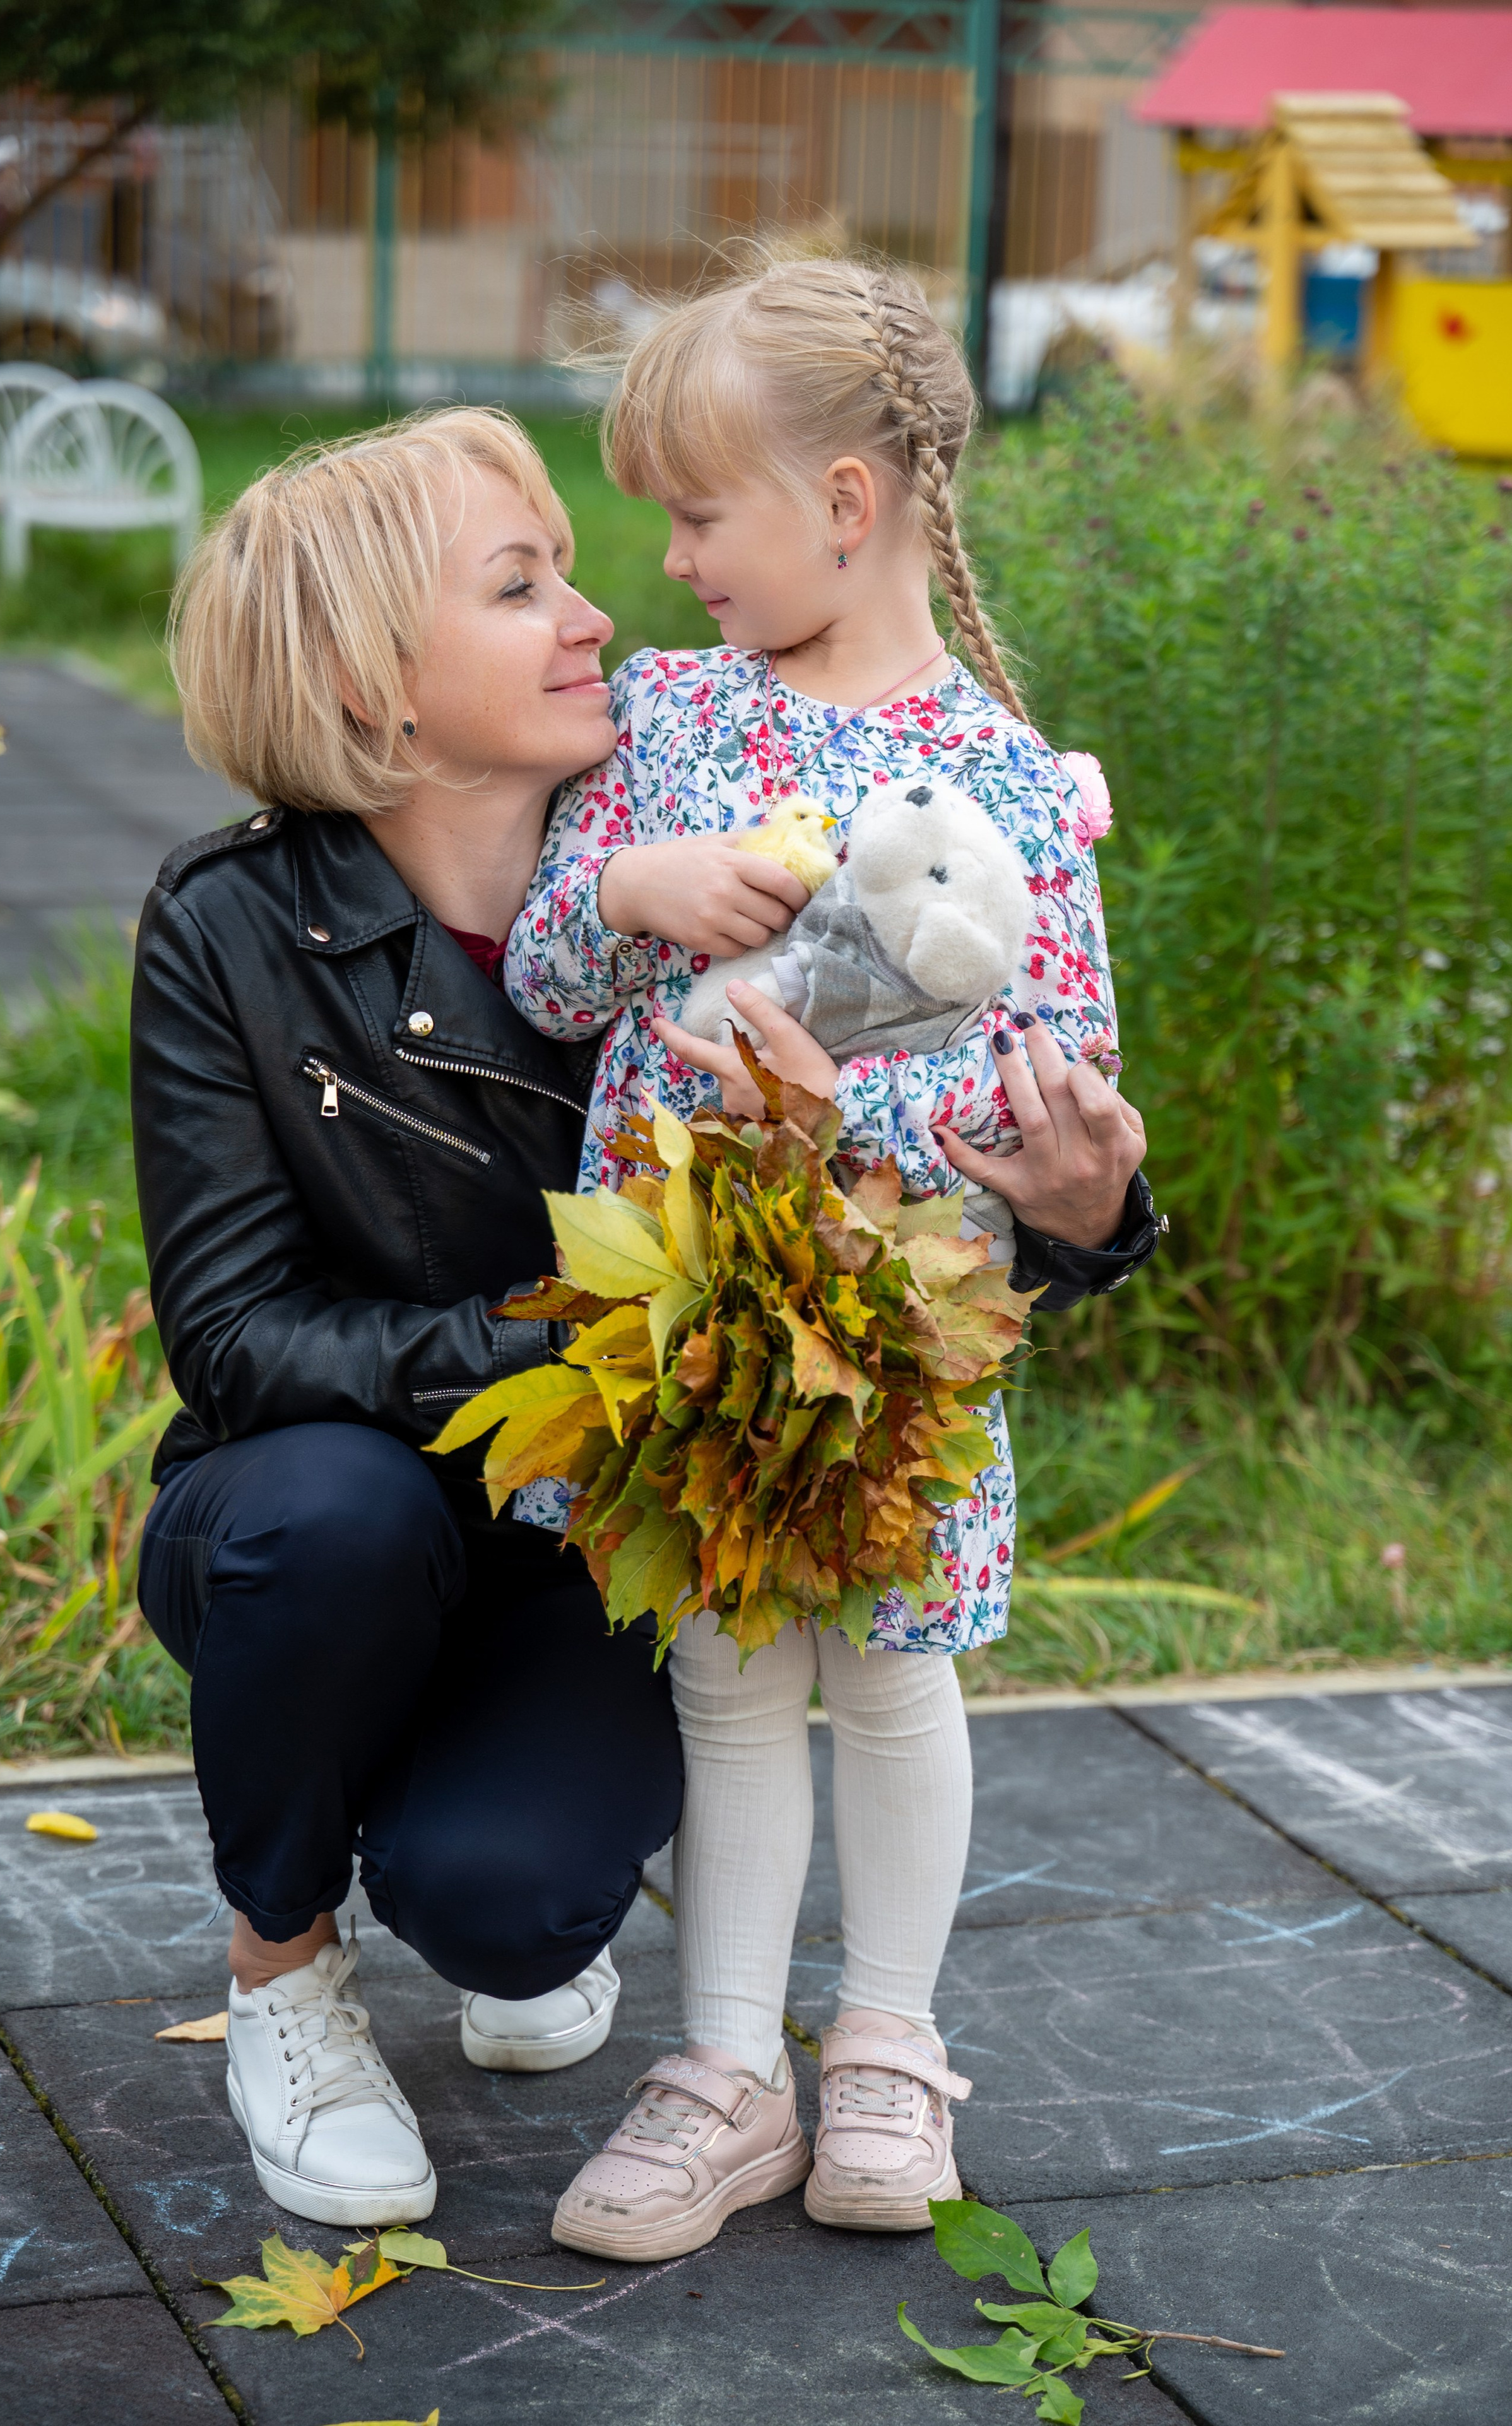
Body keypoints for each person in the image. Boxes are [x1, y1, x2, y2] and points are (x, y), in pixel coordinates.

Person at [502, 257, 1159, 2263]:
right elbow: (548, 979)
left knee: (891, 1673)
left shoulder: (1015, 789)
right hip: (697, 1320)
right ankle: (726, 2067)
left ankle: (886, 2041)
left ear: (847, 505)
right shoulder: (671, 723)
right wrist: (636, 885)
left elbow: (1062, 1082)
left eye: (701, 513)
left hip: (892, 1338)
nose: (671, 559)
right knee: (723, 1670)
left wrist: (1021, 1151)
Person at [131, 409, 683, 2230]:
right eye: (521, 586)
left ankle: (457, 1825)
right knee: (331, 1517)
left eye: (568, 572)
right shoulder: (227, 925)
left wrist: (1087, 1217)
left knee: (510, 1913)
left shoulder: (682, 884)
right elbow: (233, 1340)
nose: (593, 614)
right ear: (374, 684)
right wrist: (564, 1347)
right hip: (308, 1509)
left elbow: (889, 1177)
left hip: (569, 1539)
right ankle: (283, 1969)